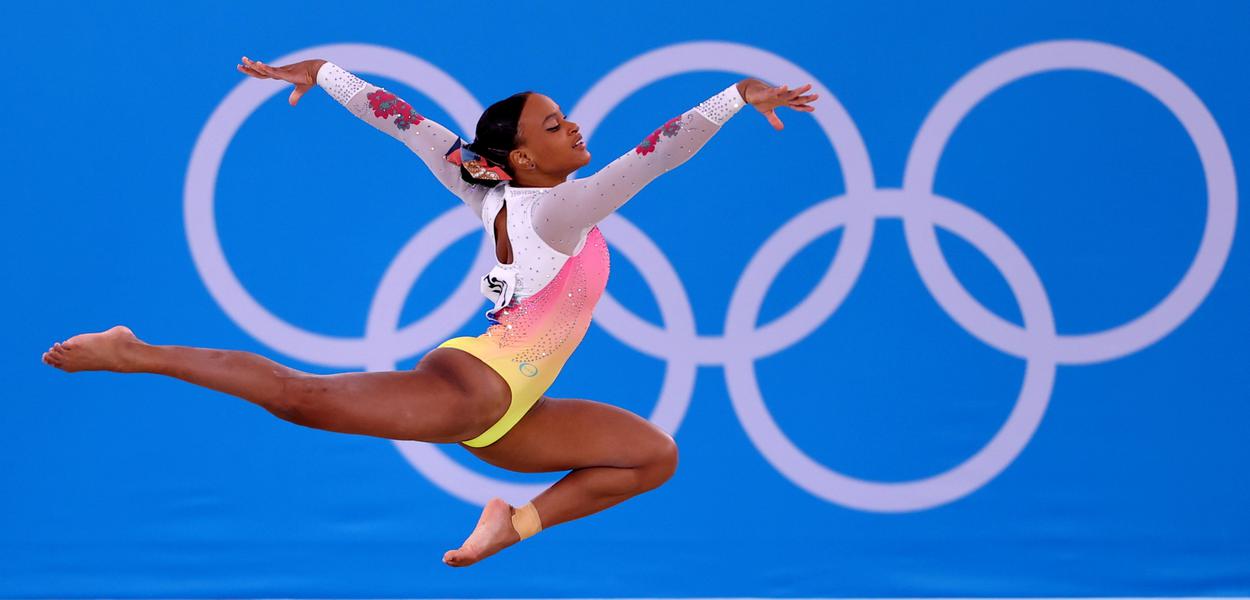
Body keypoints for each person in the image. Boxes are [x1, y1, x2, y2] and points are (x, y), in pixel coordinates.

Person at [42, 55, 819, 566]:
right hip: (473, 388)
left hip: (514, 415)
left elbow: (402, 120)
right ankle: (133, 350)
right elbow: (658, 151)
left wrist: (326, 73)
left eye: (564, 116)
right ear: (522, 158)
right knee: (300, 398)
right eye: (553, 126)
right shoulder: (562, 210)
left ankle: (509, 524)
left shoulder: (490, 186)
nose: (573, 127)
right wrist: (733, 98)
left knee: (652, 456)